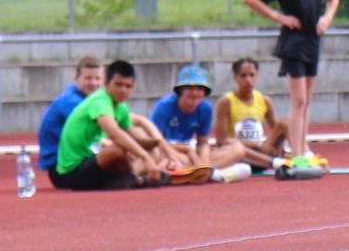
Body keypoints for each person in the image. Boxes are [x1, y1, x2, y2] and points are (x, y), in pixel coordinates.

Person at [242, 0, 339, 162]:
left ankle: (303, 148)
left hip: (312, 42)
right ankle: (296, 154)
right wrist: (278, 16)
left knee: (307, 101)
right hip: (293, 43)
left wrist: (326, 19)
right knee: (299, 100)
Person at [52, 59, 179, 190]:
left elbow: (134, 136)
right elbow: (114, 133)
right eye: (118, 85)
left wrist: (161, 147)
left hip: (92, 163)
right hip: (69, 173)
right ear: (106, 83)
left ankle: (134, 178)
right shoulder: (100, 101)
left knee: (140, 148)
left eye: (128, 86)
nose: (123, 90)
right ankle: (135, 178)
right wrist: (146, 157)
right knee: (118, 150)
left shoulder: (121, 107)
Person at [149, 64, 251, 173]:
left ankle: (202, 172)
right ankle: (205, 172)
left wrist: (204, 164)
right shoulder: (163, 106)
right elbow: (155, 143)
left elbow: (203, 143)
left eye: (199, 89)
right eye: (190, 88)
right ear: (180, 91)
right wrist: (188, 150)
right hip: (168, 151)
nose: (195, 93)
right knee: (162, 157)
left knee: (238, 150)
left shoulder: (205, 109)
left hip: (190, 155)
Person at [213, 56, 286, 171]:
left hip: (262, 151)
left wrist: (275, 147)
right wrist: (256, 145)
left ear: (257, 76)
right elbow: (221, 141)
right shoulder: (226, 102)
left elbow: (276, 129)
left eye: (252, 75)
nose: (248, 80)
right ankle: (273, 163)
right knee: (234, 147)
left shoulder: (264, 100)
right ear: (235, 78)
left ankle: (299, 157)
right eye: (243, 76)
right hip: (240, 154)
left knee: (285, 124)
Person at [36, 55, 103, 170]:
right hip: (59, 162)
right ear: (76, 79)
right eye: (88, 78)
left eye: (97, 79)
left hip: (74, 155)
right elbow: (107, 127)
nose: (93, 83)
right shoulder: (71, 101)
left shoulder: (89, 100)